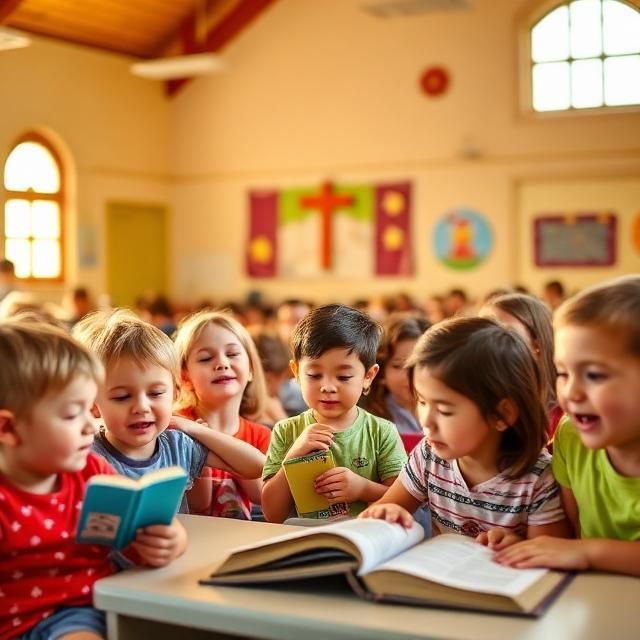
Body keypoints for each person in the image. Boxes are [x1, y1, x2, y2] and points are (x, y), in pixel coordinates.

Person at [0, 322, 187, 640]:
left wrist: (170, 539)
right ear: (8, 429)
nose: (91, 425)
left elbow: (136, 527)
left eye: (89, 410)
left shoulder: (90, 471)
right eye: (73, 414)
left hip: (77, 613)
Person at [360, 316, 570, 546]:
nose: (426, 422)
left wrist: (516, 543)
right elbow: (382, 511)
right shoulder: (428, 456)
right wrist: (387, 514)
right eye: (421, 402)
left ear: (502, 415)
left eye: (445, 410)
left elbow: (548, 556)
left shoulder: (538, 479)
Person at [494, 276, 640, 576]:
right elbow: (572, 536)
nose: (571, 393)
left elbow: (579, 548)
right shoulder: (571, 435)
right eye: (563, 373)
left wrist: (587, 552)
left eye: (595, 375)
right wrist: (528, 543)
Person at [72, 309, 265, 515]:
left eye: (155, 393)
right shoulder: (86, 453)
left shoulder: (177, 446)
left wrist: (195, 429)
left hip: (176, 547)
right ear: (92, 403)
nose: (142, 407)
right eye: (122, 397)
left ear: (174, 394)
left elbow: (257, 465)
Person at [261, 304, 407, 523]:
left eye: (343, 377)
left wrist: (362, 489)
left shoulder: (381, 432)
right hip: (305, 541)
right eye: (314, 374)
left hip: (365, 541)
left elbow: (404, 503)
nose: (327, 387)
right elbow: (272, 514)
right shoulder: (287, 431)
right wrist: (292, 458)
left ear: (368, 376)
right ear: (296, 373)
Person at [174, 309, 271, 519]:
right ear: (185, 377)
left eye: (233, 354)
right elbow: (198, 504)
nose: (222, 363)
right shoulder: (175, 427)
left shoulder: (261, 435)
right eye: (206, 358)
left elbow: (261, 495)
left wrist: (213, 440)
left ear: (251, 369)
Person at [479, 292, 563, 443]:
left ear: (537, 344)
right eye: (482, 333)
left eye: (505, 333)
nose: (490, 343)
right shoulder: (480, 403)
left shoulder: (565, 416)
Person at [363, 313, 430, 435]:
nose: (410, 374)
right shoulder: (369, 421)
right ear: (381, 372)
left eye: (421, 363)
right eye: (398, 366)